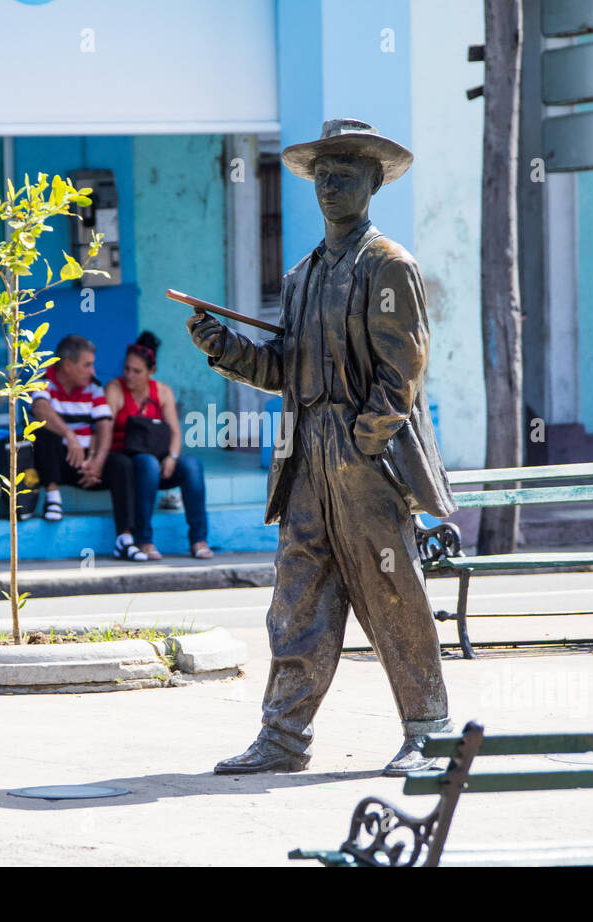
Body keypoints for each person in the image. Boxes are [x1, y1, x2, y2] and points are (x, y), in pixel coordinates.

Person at [189, 119, 456, 777]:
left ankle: (430, 731)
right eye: (323, 176)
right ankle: (282, 737)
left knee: (393, 591)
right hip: (305, 455)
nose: (332, 186)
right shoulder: (304, 273)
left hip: (366, 461)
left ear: (372, 183)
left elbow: (404, 369)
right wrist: (223, 349)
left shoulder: (388, 265)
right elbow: (284, 366)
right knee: (298, 598)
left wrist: (367, 441)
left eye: (346, 175)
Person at [30, 334, 143, 560]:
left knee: (122, 464)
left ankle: (125, 538)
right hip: (56, 464)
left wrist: (98, 462)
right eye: (87, 365)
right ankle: (52, 499)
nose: (93, 371)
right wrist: (69, 435)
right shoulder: (42, 379)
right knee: (42, 430)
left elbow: (104, 426)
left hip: (86, 466)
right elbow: (40, 409)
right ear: (68, 365)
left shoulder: (94, 388)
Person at [104, 332, 212, 560]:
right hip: (130, 460)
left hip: (160, 459)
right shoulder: (115, 388)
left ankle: (199, 540)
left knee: (192, 466)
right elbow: (105, 427)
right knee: (148, 463)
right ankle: (144, 540)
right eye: (127, 369)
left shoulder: (162, 391)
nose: (129, 375)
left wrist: (172, 457)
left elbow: (174, 431)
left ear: (151, 371)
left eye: (137, 371)